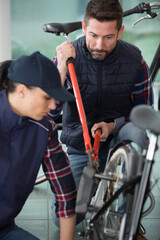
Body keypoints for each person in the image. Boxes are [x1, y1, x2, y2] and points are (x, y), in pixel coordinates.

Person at [51, 0, 153, 237]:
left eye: (109, 37)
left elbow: (143, 112)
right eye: (94, 34)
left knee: (139, 138)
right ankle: (97, 187)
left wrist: (113, 125)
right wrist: (61, 70)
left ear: (120, 31)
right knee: (66, 218)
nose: (99, 45)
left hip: (120, 134)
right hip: (81, 144)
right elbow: (50, 112)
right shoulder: (67, 57)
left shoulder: (135, 61)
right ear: (84, 28)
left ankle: (129, 222)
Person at [0, 51, 77, 240]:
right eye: (46, 97)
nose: (53, 106)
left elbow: (65, 193)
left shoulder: (45, 129)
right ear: (21, 90)